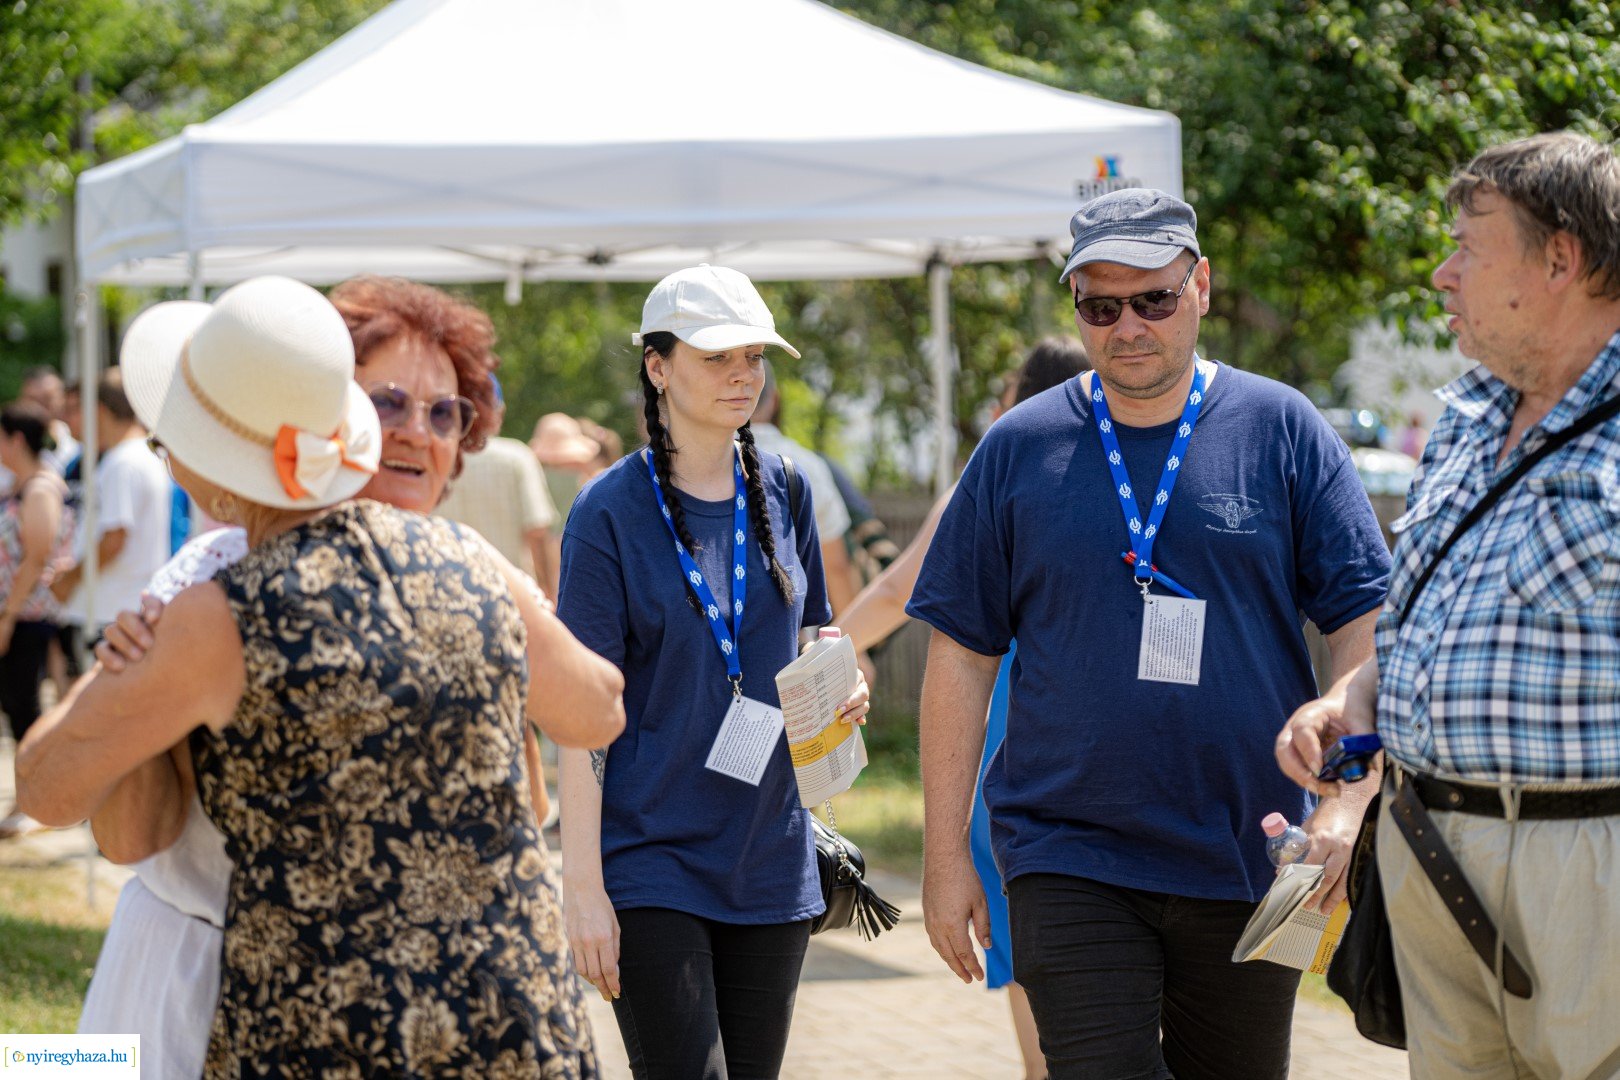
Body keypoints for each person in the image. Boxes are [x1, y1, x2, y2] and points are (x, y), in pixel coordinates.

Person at [18, 275, 623, 1076]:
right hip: (505, 1015)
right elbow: (597, 710)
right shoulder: (475, 565)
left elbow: (47, 790)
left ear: (208, 457)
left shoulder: (216, 610)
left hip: (327, 1018)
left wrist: (114, 672)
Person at [908, 188, 1392, 1080]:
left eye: (1153, 299)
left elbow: (1362, 624)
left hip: (1254, 850)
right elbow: (961, 658)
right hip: (1067, 851)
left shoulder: (1283, 430)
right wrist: (945, 860)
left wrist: (1347, 799)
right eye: (1101, 306)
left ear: (1200, 286)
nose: (1127, 326)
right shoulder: (1018, 448)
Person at [1276, 132, 1620, 1080]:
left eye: (1469, 245)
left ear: (1562, 258)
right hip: (1429, 848)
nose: (1441, 273)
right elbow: (1432, 624)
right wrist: (1351, 705)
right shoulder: (1467, 420)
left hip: (1588, 865)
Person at [557, 264, 870, 1080]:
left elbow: (813, 634)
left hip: (770, 852)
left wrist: (839, 683)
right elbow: (579, 715)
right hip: (653, 856)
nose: (744, 376)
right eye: (717, 357)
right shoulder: (606, 513)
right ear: (657, 368)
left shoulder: (787, 485)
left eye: (754, 358)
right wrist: (582, 888)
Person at [838, 336, 1088, 1080]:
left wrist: (821, 651)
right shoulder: (1119, 469)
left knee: (1025, 932)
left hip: (1012, 733)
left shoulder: (996, 469)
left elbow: (896, 592)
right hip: (1095, 736)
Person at [51, 370, 172, 641]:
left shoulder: (123, 462)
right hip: (123, 605)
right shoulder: (139, 456)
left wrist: (69, 579)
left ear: (99, 409)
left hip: (110, 609)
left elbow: (114, 539)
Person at [0, 403, 73, 839]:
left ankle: (39, 801)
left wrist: (8, 617)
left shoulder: (40, 489)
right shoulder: (22, 486)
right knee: (16, 707)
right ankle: (27, 798)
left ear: (16, 439)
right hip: (17, 614)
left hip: (28, 617)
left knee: (26, 708)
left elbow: (37, 555)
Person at [749, 360, 862, 617]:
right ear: (775, 399)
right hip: (796, 644)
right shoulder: (807, 465)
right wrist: (856, 647)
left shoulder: (693, 461)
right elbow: (836, 567)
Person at [437, 377, 562, 598]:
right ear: (497, 412)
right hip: (513, 597)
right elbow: (538, 531)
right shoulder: (516, 457)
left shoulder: (435, 458)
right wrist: (550, 594)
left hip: (448, 596)